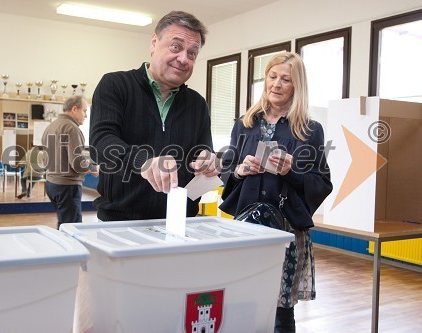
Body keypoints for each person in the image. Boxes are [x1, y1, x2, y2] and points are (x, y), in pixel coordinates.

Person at [219, 52, 333, 333]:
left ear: (297, 86)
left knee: (281, 313)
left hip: (285, 232)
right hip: (246, 228)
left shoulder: (309, 130)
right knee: (242, 302)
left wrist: (290, 171)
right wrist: (240, 170)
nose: (277, 84)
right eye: (272, 77)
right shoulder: (244, 124)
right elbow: (227, 169)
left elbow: (322, 183)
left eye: (286, 79)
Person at [90, 11, 220, 222]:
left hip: (181, 223)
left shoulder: (197, 103)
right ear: (154, 43)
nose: (183, 59)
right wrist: (144, 161)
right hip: (120, 223)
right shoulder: (115, 85)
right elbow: (101, 144)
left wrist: (208, 159)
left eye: (192, 53)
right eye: (176, 47)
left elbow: (203, 149)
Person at [42, 95, 97, 228]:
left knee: (64, 224)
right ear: (74, 109)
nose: (85, 116)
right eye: (84, 111)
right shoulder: (72, 128)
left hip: (51, 184)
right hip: (67, 187)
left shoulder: (51, 126)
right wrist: (93, 168)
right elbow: (78, 163)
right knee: (72, 228)